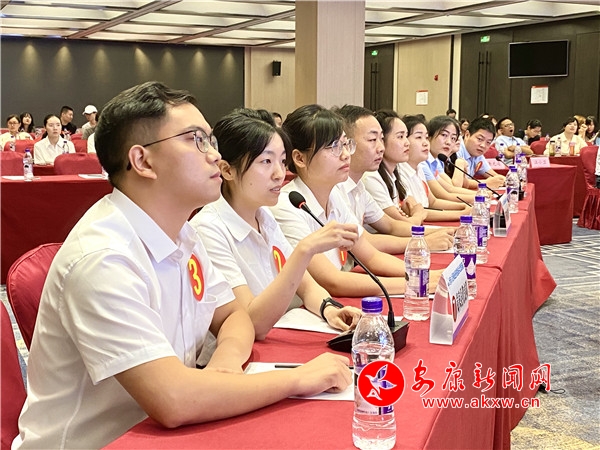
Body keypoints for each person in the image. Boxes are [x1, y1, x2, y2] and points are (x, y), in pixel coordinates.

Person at [14, 82, 352, 449]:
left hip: (167, 431)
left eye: (211, 141)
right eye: (196, 140)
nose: (214, 156)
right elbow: (173, 399)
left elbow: (234, 317)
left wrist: (224, 369)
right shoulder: (104, 258)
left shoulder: (183, 234)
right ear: (143, 161)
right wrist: (298, 379)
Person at [190, 109, 362, 339]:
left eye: (282, 161)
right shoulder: (208, 229)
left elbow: (307, 286)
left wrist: (329, 309)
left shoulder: (263, 215)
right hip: (241, 352)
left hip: (278, 336)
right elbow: (251, 323)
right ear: (227, 170)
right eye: (266, 161)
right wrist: (305, 250)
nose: (280, 174)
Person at [271, 104, 429, 297]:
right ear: (299, 158)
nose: (346, 155)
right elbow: (333, 281)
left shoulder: (334, 195)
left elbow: (372, 256)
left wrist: (422, 274)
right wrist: (417, 283)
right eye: (334, 147)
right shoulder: (287, 206)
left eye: (345, 144)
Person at [335, 105, 454, 252]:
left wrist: (447, 231)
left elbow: (391, 225)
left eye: (381, 139)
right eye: (372, 139)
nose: (381, 147)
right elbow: (366, 241)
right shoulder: (349, 185)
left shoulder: (359, 186)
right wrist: (422, 242)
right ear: (348, 144)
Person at [397, 115, 470, 221]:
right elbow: (414, 212)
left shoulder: (418, 167)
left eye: (426, 138)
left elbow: (433, 202)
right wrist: (462, 213)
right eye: (419, 137)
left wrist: (463, 206)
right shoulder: (399, 172)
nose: (425, 143)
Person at [423, 115, 477, 203]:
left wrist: (482, 194)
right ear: (428, 137)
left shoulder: (436, 160)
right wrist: (480, 197)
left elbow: (450, 188)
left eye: (453, 138)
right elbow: (444, 195)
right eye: (444, 135)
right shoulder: (423, 162)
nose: (448, 142)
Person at [456, 117, 506, 189]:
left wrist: (505, 180)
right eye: (480, 139)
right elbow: (458, 183)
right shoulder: (456, 150)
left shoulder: (477, 154)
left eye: (488, 142)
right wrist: (486, 183)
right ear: (467, 135)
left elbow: (492, 175)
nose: (483, 145)